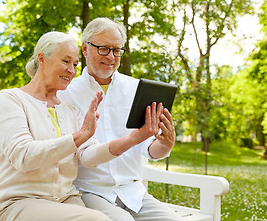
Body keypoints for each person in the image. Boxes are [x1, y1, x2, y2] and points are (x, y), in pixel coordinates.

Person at [0, 31, 165, 221]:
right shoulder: (11, 99)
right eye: (65, 61)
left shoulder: (70, 110)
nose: (72, 70)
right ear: (42, 58)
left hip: (65, 201)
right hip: (18, 202)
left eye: (75, 65)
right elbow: (24, 156)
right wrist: (80, 136)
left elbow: (88, 155)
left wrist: (134, 138)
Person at [56, 17, 184, 221]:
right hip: (88, 192)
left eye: (117, 50)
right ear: (85, 49)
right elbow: (31, 101)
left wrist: (165, 143)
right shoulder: (65, 91)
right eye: (104, 49)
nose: (111, 56)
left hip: (133, 192)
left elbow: (149, 149)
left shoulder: (135, 89)